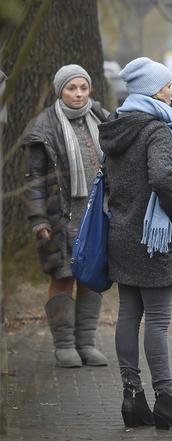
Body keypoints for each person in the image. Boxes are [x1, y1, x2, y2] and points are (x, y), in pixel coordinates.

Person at [98, 57, 172, 432]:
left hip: (123, 232)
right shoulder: (158, 129)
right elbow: (161, 176)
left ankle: (132, 398)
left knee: (128, 314)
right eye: (167, 85)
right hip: (153, 237)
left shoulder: (115, 125)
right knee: (157, 320)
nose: (171, 91)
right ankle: (167, 401)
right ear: (153, 89)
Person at [24, 64, 109, 369]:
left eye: (83, 88)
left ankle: (86, 342)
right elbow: (33, 179)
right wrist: (39, 220)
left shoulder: (101, 117)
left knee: (90, 277)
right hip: (61, 215)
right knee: (63, 276)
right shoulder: (44, 126)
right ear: (60, 90)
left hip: (96, 213)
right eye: (72, 88)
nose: (78, 94)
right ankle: (63, 345)